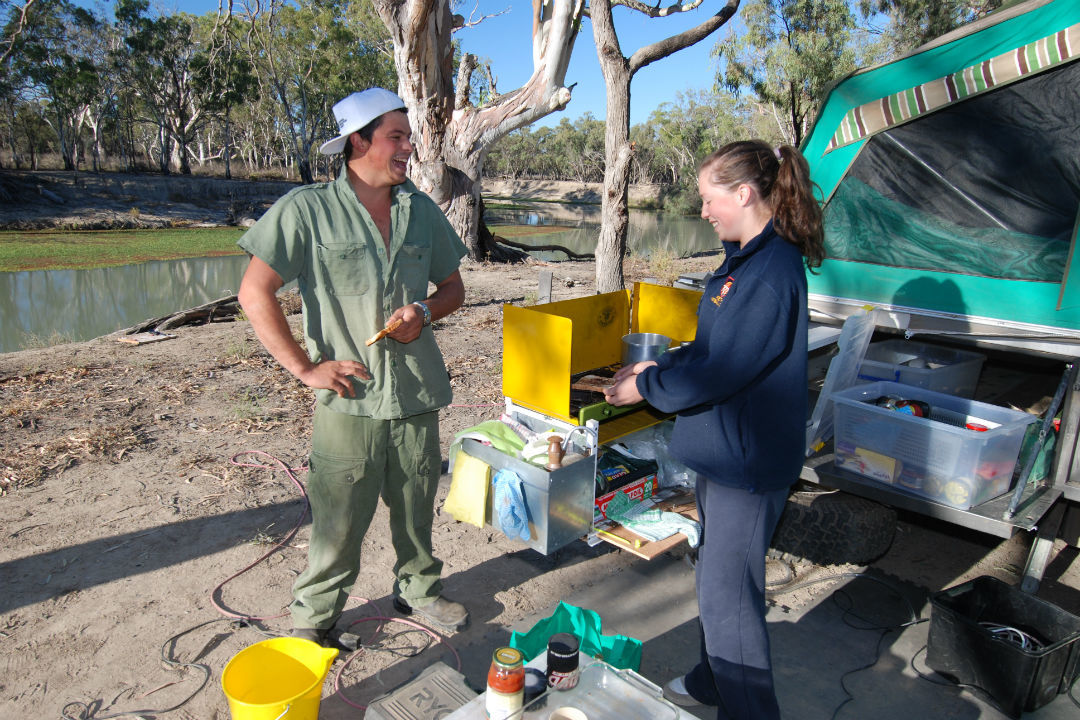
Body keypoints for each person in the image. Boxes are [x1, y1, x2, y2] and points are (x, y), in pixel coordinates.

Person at [236, 87, 470, 642]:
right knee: (337, 526)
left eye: (407, 136)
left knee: (416, 509)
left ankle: (418, 592)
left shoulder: (420, 209)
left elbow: (454, 288)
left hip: (415, 393)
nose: (408, 147)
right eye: (396, 136)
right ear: (358, 141)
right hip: (348, 399)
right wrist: (304, 368)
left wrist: (423, 310)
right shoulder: (307, 210)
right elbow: (254, 291)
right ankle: (313, 622)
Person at [604, 140, 825, 719]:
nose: (702, 210)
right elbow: (710, 352)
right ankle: (711, 679)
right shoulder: (745, 262)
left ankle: (749, 708)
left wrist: (645, 389)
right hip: (724, 455)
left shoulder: (771, 272)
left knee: (731, 599)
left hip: (747, 469)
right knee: (717, 580)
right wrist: (659, 366)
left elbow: (725, 373)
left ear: (745, 194)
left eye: (708, 198)